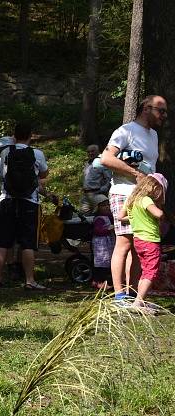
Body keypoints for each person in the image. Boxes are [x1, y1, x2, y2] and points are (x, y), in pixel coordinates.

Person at [100, 95, 167, 299]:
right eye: (160, 110)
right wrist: (136, 174)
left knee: (139, 245)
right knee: (125, 242)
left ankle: (134, 295)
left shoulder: (153, 135)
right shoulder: (126, 131)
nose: (164, 115)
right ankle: (119, 295)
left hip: (143, 198)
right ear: (146, 109)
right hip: (123, 192)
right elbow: (106, 158)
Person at [0, 122, 50, 290]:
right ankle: (29, 281)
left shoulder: (6, 152)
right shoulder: (37, 154)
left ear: (14, 136)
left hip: (7, 200)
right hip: (29, 202)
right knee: (28, 243)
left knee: (3, 241)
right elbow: (44, 175)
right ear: (31, 136)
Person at [117, 173, 168, 311]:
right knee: (151, 272)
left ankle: (140, 300)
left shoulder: (132, 200)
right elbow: (159, 214)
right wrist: (161, 215)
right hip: (150, 241)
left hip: (138, 241)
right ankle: (138, 303)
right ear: (154, 187)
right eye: (160, 190)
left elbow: (120, 217)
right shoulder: (146, 200)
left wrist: (135, 217)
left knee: (145, 271)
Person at [79, 144, 112, 214]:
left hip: (97, 193)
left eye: (92, 151)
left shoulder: (102, 162)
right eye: (88, 152)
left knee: (100, 214)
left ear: (98, 151)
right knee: (84, 214)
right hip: (86, 194)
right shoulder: (87, 163)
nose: (90, 153)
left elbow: (109, 178)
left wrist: (104, 188)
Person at [91, 195, 115, 290]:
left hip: (107, 243)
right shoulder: (99, 218)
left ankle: (104, 280)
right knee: (101, 263)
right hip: (101, 244)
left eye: (107, 204)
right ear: (97, 208)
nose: (107, 207)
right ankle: (98, 281)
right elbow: (97, 231)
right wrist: (108, 230)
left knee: (107, 261)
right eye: (103, 205)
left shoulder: (108, 216)